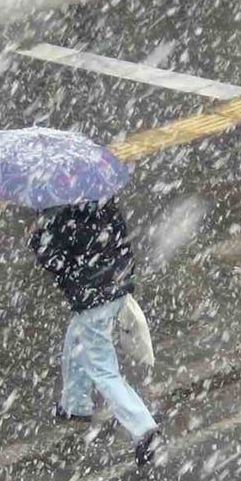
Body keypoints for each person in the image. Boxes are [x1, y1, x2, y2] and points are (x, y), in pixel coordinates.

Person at [29, 199, 163, 466]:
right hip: (114, 285)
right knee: (75, 342)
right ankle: (75, 405)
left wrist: (37, 237)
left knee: (102, 368)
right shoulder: (101, 198)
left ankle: (146, 431)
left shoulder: (57, 214)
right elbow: (121, 238)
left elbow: (55, 261)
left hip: (92, 298)